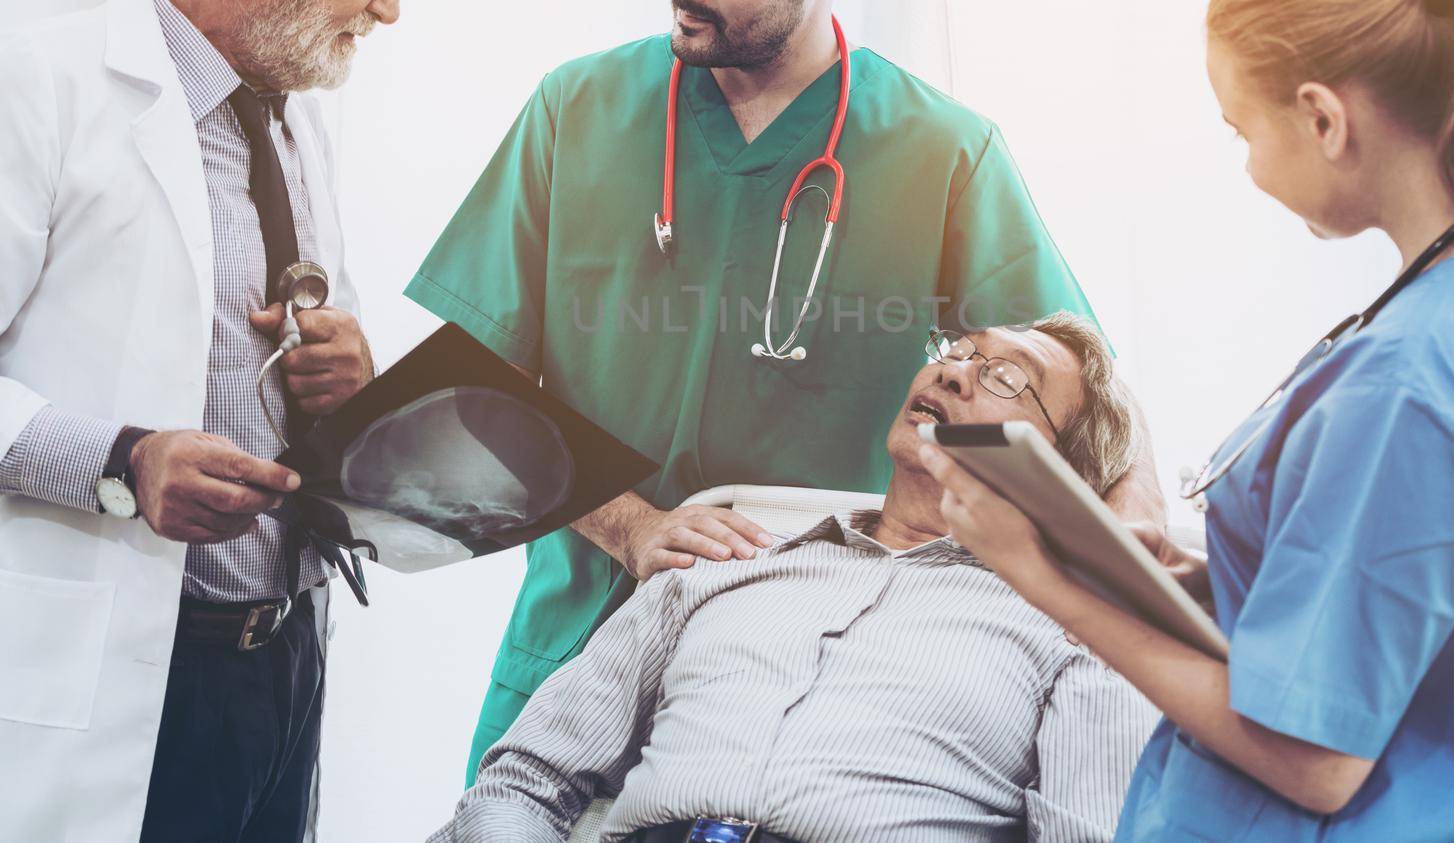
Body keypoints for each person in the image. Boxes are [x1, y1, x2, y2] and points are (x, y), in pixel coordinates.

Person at [406, 0, 1165, 782]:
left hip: (800, 684)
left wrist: (1134, 527)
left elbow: (1074, 370)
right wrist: (632, 526)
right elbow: (473, 380)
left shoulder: (940, 150)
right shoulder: (575, 108)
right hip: (578, 635)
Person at [928, 0, 1454, 840]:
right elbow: (1417, 615)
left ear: (1323, 117)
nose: (1245, 164)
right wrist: (1208, 577)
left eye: (1241, 127)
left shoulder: (1414, 378)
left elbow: (1316, 760)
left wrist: (1044, 575)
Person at [0, 0, 435, 837]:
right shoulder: (39, 90)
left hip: (284, 657)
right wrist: (123, 458)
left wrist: (347, 367)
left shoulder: (296, 121)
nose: (389, 6)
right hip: (124, 679)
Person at [431, 313, 1157, 843]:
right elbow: (523, 780)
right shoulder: (724, 561)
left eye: (1004, 377)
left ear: (1060, 471)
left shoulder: (1075, 636)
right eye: (959, 349)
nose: (951, 370)